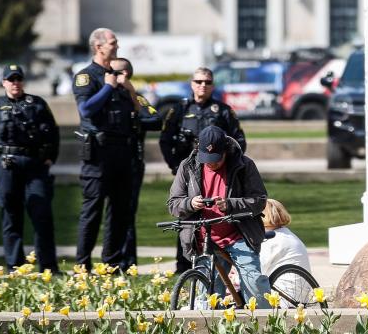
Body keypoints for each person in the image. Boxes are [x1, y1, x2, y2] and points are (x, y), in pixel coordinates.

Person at [167, 125, 270, 303]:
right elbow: (173, 204)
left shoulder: (244, 165)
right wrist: (190, 203)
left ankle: (265, 325)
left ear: (226, 151)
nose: (211, 163)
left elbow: (259, 200)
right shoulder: (187, 166)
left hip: (238, 236)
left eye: (216, 159)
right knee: (206, 297)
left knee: (254, 285)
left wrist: (230, 204)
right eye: (207, 159)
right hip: (204, 240)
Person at [160, 66, 247, 272]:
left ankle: (219, 263)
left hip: (216, 172)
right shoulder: (180, 109)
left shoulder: (223, 110)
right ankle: (184, 266)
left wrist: (231, 164)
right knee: (186, 217)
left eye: (207, 82)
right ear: (192, 84)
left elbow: (239, 140)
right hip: (189, 173)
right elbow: (165, 139)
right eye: (199, 81)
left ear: (212, 85)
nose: (202, 86)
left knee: (216, 215)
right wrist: (175, 165)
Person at [0, 65, 60, 273]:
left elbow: (53, 132)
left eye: (18, 79)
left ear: (23, 81)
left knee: (42, 214)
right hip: (6, 165)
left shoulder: (38, 104)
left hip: (34, 165)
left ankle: (48, 266)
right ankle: (15, 266)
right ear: (3, 82)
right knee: (11, 215)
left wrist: (50, 158)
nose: (15, 83)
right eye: (10, 79)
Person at [72, 28, 141, 269]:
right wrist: (108, 87)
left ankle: (110, 265)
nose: (117, 46)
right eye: (113, 42)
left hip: (121, 152)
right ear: (99, 47)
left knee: (120, 212)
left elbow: (139, 112)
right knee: (92, 210)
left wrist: (126, 88)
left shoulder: (118, 78)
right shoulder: (86, 77)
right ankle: (83, 266)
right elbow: (86, 110)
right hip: (98, 153)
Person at [109, 57, 162, 269]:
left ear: (126, 75)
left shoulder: (137, 100)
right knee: (109, 213)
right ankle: (111, 259)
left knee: (127, 212)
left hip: (131, 163)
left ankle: (127, 262)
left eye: (116, 73)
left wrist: (132, 115)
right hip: (109, 163)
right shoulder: (107, 99)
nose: (110, 76)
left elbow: (156, 120)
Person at [260, 199, 311, 275]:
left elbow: (255, 271)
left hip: (280, 286)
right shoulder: (286, 235)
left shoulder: (272, 240)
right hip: (300, 285)